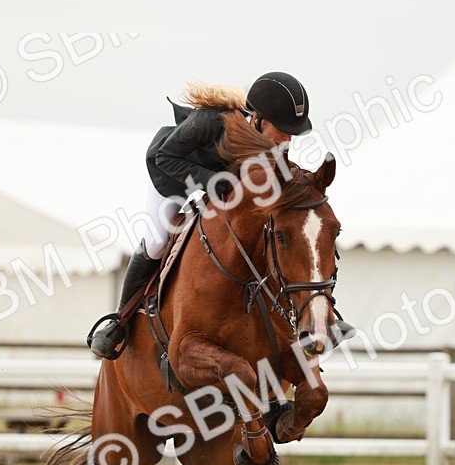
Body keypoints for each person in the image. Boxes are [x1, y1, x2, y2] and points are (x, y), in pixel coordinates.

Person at [87, 71, 312, 359]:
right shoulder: (212, 121)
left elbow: (281, 180)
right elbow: (164, 157)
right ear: (258, 118)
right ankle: (120, 321)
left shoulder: (276, 141)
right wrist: (211, 181)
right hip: (172, 177)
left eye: (293, 131)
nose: (288, 137)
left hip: (217, 187)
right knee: (157, 242)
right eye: (283, 128)